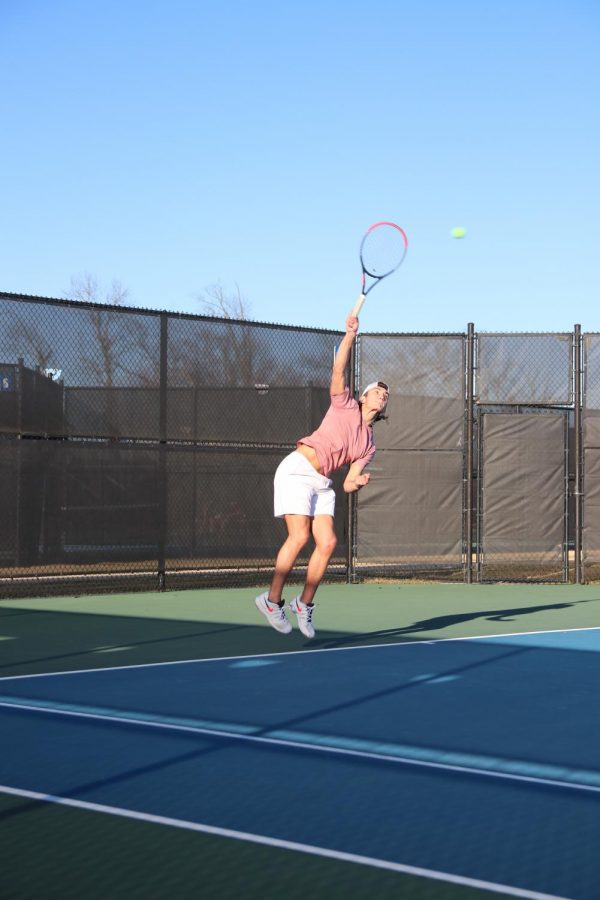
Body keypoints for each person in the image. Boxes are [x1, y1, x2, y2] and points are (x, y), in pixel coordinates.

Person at [255, 312, 389, 639]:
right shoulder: (343, 403)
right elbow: (338, 368)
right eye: (377, 391)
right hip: (298, 469)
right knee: (299, 537)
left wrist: (357, 482)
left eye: (386, 396)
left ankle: (304, 603)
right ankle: (271, 601)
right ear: (363, 396)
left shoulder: (369, 444)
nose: (382, 396)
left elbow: (347, 481)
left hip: (323, 482)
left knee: (327, 542)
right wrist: (349, 336)